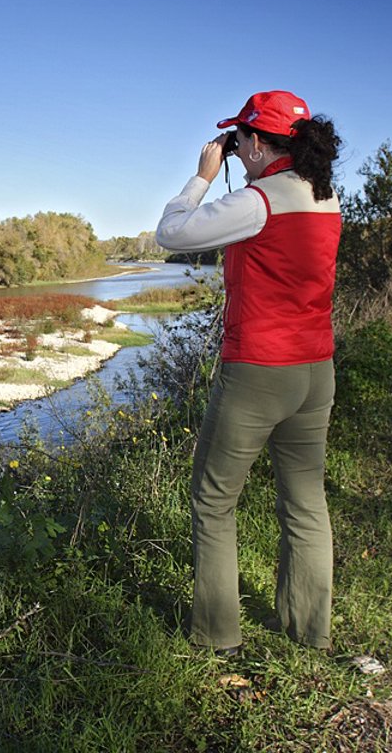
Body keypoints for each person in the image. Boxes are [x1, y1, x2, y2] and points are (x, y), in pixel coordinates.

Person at [155, 90, 343, 654]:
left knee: (214, 500)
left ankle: (218, 638)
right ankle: (310, 634)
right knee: (305, 501)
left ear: (257, 142)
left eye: (238, 139)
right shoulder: (325, 196)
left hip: (260, 370)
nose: (233, 147)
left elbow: (172, 234)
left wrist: (202, 177)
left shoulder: (260, 200)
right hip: (316, 369)